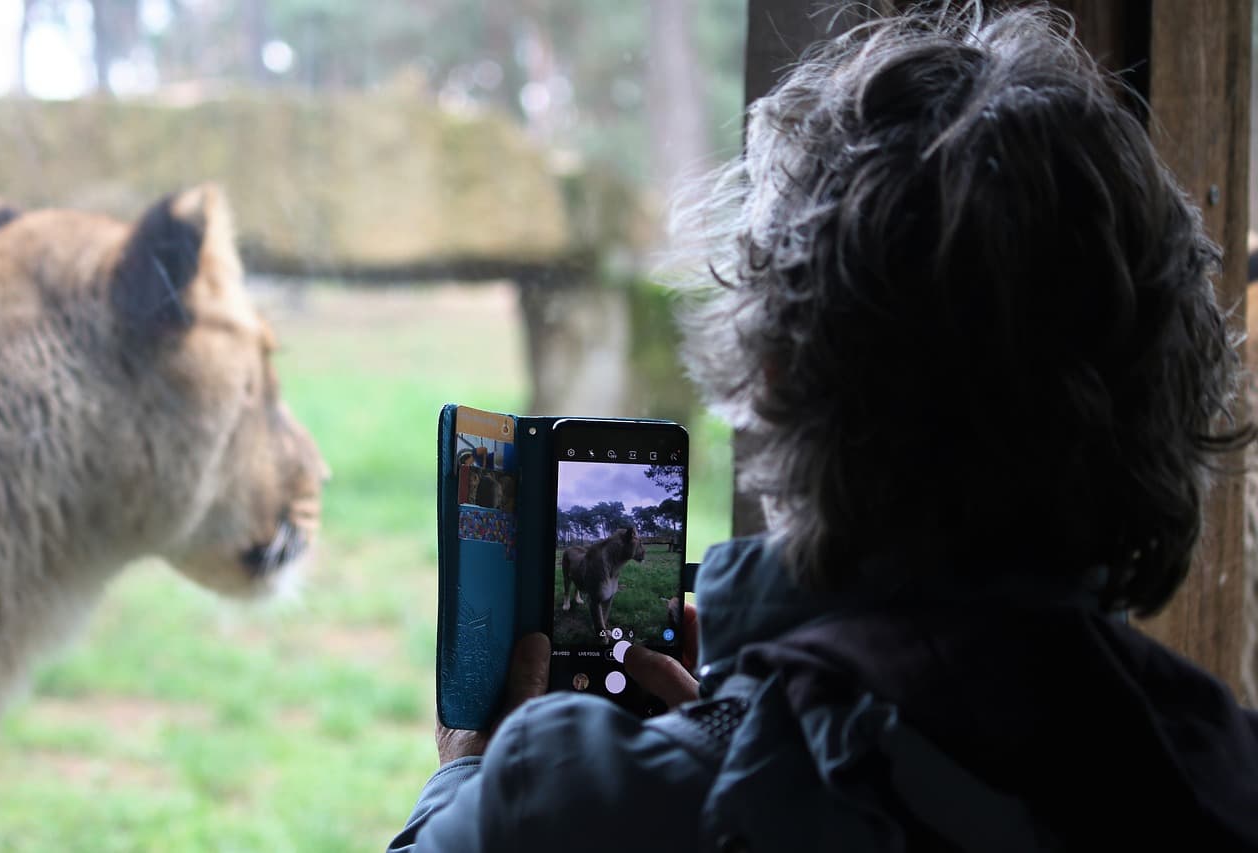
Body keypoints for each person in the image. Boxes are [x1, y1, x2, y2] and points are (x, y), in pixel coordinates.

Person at [389, 5, 1258, 850]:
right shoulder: (1231, 771)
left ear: (774, 372)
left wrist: (473, 775)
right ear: (1166, 392)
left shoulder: (565, 809)